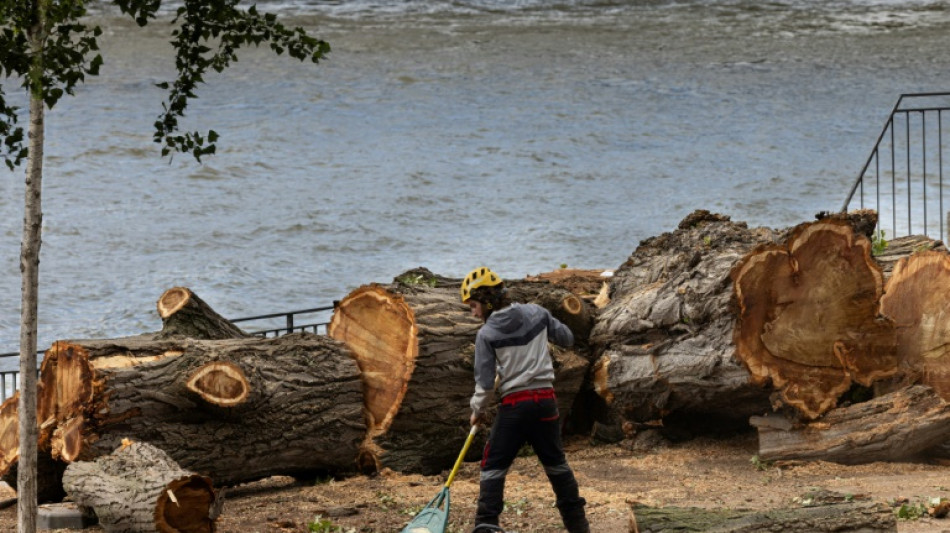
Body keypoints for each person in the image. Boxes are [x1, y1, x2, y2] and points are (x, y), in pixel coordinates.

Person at [460, 266, 590, 533]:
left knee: (493, 465)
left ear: (486, 301)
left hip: (516, 407)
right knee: (556, 464)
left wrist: (477, 411)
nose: (473, 313)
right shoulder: (537, 313)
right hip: (546, 404)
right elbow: (566, 338)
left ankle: (486, 525)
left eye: (473, 306)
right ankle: (578, 526)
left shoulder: (486, 335)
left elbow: (485, 385)